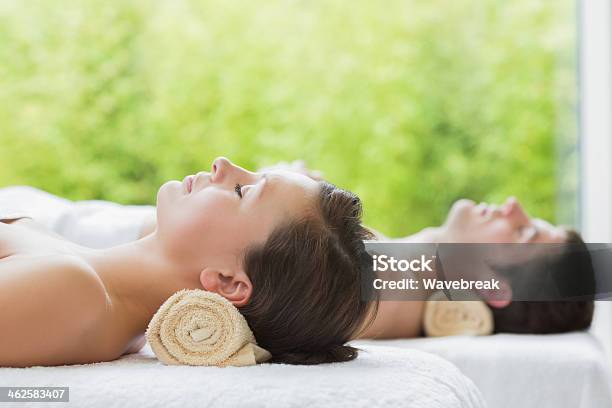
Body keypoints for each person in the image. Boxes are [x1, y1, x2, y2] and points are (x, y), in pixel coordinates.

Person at [0, 157, 377, 367]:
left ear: (229, 283)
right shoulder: (82, 276)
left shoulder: (73, 294)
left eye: (242, 191)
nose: (222, 164)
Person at [360, 197, 595, 339]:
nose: (513, 204)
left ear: (495, 289)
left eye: (523, 231)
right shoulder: (387, 267)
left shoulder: (381, 291)